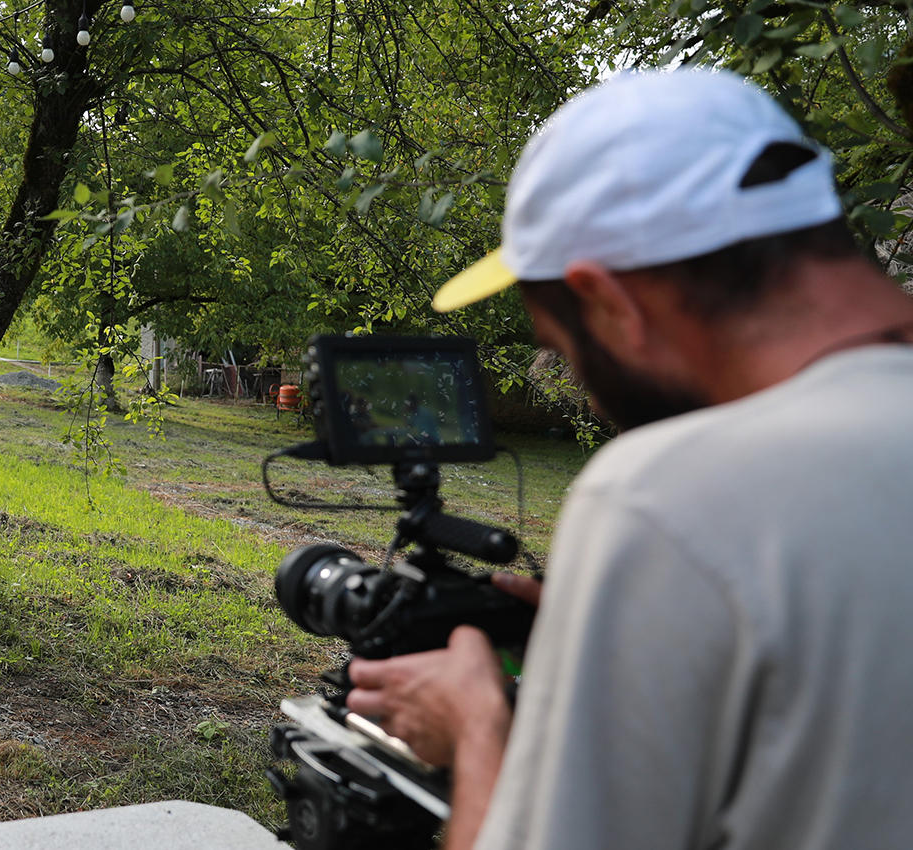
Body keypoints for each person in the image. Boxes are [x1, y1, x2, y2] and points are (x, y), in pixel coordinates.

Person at [344, 69, 913, 850]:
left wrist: (478, 728)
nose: (586, 389)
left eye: (563, 348)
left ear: (608, 302)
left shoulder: (667, 496)